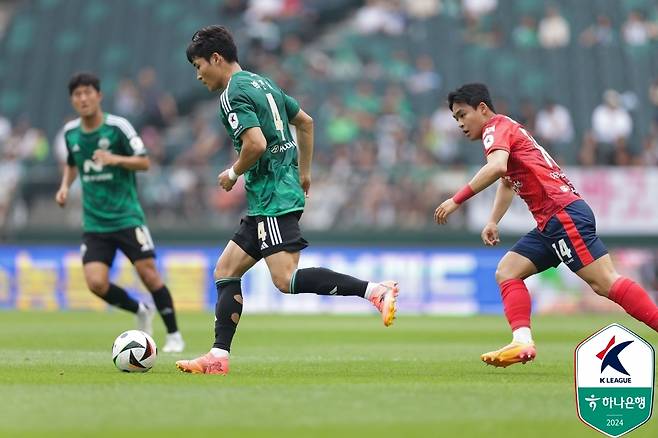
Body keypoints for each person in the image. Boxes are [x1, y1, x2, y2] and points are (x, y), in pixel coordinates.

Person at [175, 25, 399, 375]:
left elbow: (255, 145)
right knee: (225, 270)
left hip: (272, 197)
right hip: (276, 192)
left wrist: (233, 174)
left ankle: (374, 291)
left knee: (285, 280)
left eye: (198, 65)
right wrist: (304, 172)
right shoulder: (263, 83)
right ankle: (218, 357)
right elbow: (305, 122)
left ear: (216, 58)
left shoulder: (231, 94)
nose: (198, 74)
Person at [435, 83, 658, 367]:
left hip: (561, 214)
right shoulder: (504, 131)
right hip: (551, 221)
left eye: (462, 114)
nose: (460, 123)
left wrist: (456, 200)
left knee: (605, 282)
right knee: (508, 271)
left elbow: (497, 168)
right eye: (455, 118)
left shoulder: (495, 128)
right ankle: (522, 341)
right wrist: (493, 220)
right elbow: (507, 180)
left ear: (482, 108)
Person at [55, 73, 185, 353]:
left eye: (88, 92)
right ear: (72, 100)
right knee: (96, 283)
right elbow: (71, 162)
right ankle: (140, 309)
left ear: (99, 96)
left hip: (127, 217)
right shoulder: (71, 133)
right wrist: (65, 186)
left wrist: (115, 159)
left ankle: (174, 334)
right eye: (77, 95)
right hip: (95, 223)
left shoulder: (118, 128)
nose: (83, 99)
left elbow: (144, 162)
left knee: (149, 275)